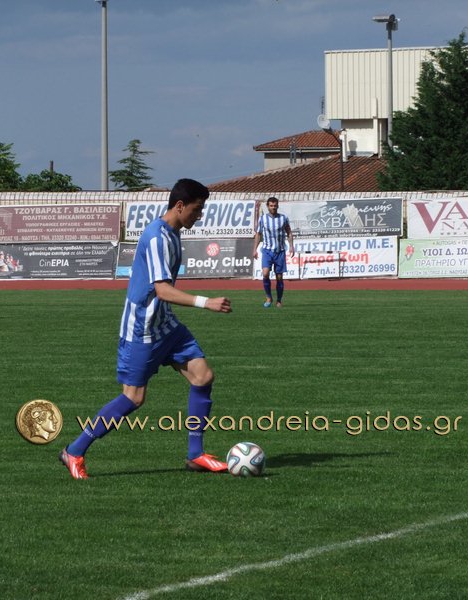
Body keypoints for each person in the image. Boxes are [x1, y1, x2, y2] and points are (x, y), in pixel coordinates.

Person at [59, 178, 232, 480]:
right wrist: (207, 303)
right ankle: (74, 450)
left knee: (203, 376)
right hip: (142, 329)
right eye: (197, 209)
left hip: (165, 324)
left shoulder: (173, 233)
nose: (199, 215)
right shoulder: (156, 237)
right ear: (180, 206)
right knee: (133, 398)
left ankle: (196, 455)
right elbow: (162, 290)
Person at [253, 196, 294, 308]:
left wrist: (291, 246)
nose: (273, 207)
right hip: (267, 250)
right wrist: (254, 249)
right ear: (267, 206)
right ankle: (268, 297)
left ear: (278, 206)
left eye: (275, 206)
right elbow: (258, 234)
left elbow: (289, 232)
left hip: (280, 251)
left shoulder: (283, 218)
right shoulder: (263, 219)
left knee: (279, 277)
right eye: (271, 206)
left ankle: (279, 300)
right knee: (265, 273)